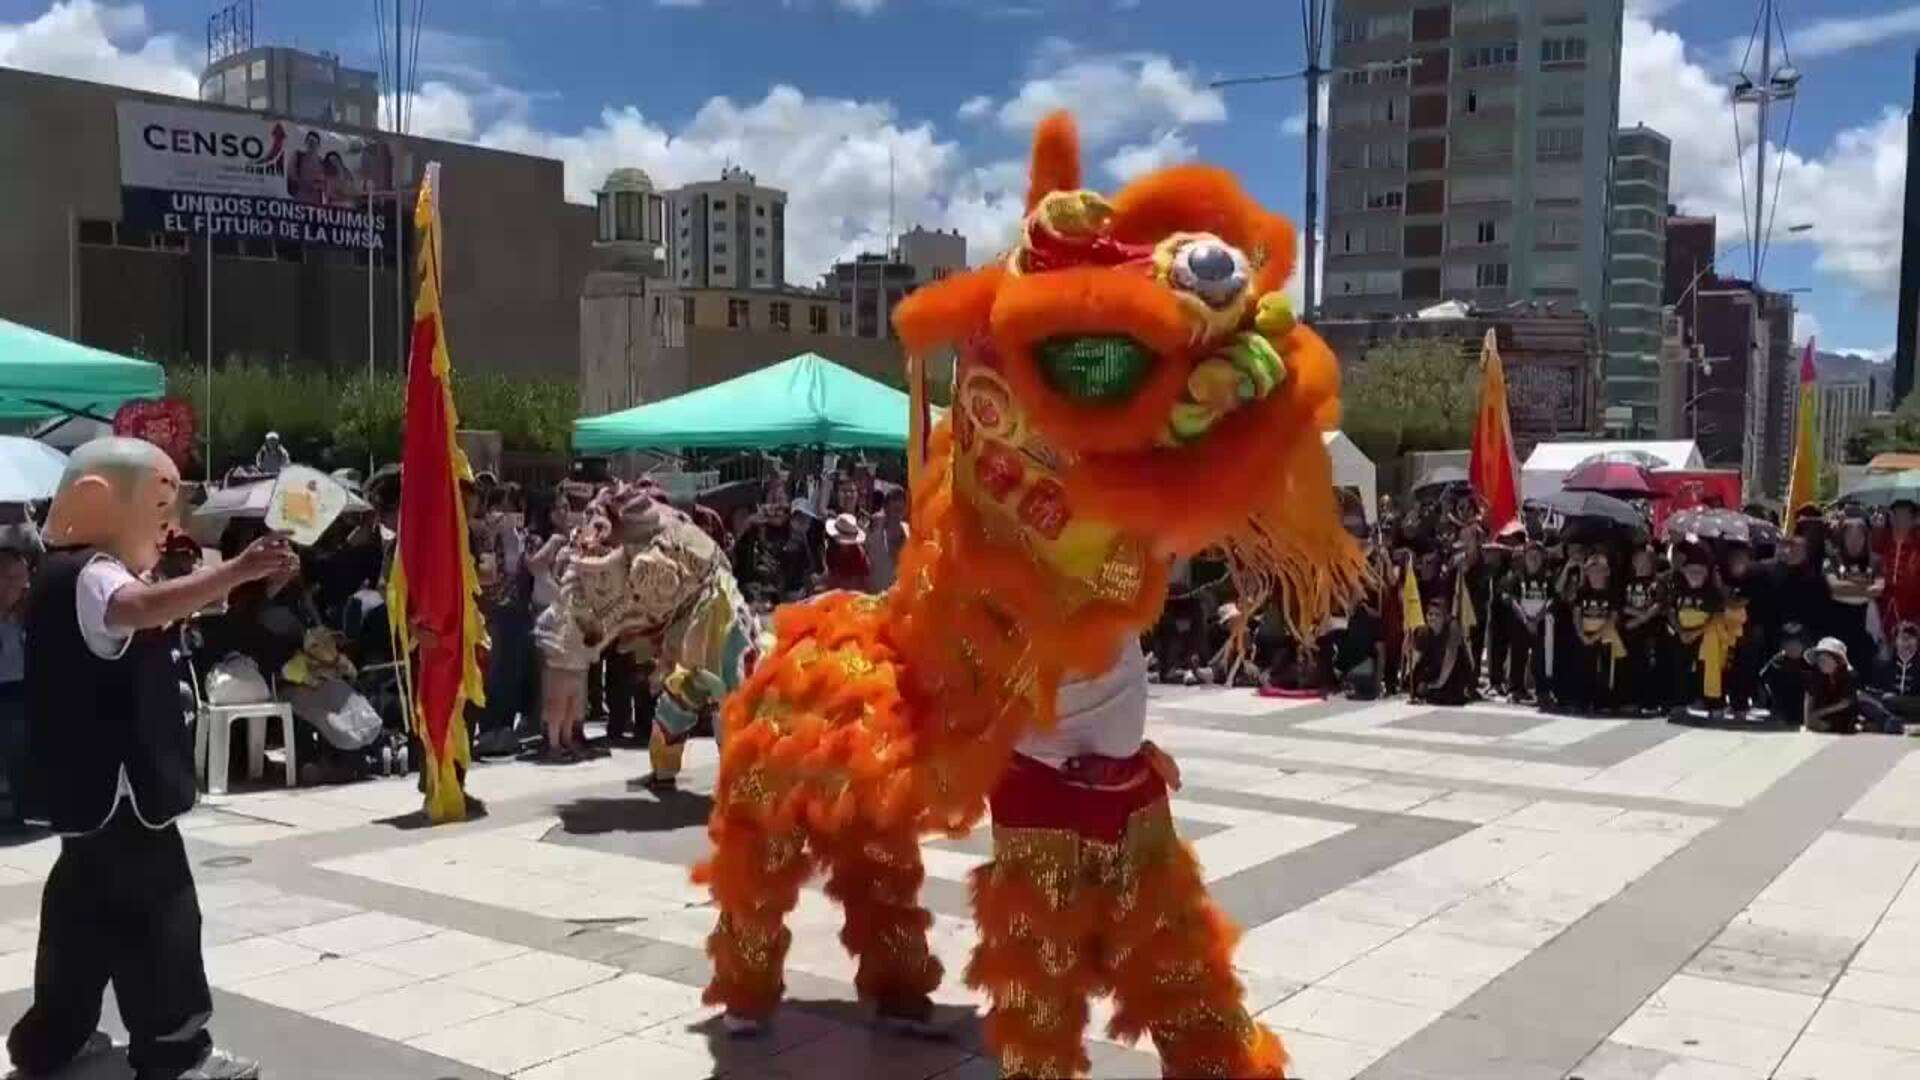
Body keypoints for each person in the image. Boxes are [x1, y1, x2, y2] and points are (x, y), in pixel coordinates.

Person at [9, 437, 296, 1080]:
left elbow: (146, 612)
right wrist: (234, 570)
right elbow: (132, 609)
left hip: (92, 791)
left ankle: (53, 1040)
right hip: (121, 790)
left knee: (80, 917)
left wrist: (235, 582)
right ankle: (174, 1051)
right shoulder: (93, 573)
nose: (168, 521)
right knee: (160, 914)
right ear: (97, 500)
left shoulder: (68, 572)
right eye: (159, 503)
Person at [1566, 554, 1623, 715]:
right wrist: (1581, 634)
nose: (1596, 575)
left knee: (1605, 671)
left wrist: (1596, 635)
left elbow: (1613, 619)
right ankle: (1583, 700)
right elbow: (1576, 614)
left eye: (1599, 571)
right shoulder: (1582, 592)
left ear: (1607, 572)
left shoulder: (1612, 593)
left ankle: (1603, 702)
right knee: (1583, 668)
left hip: (1605, 636)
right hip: (1584, 634)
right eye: (1592, 571)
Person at [1827, 517, 1885, 669]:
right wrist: (1866, 585)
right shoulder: (1833, 559)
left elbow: (1878, 589)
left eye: (1859, 537)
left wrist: (1848, 585)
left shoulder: (1875, 560)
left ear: (1866, 538)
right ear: (1842, 537)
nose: (1854, 541)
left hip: (1864, 626)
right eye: (1850, 536)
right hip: (1837, 624)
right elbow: (1834, 586)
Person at [1620, 546, 1669, 716]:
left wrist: (1642, 618)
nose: (1643, 564)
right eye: (1639, 560)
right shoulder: (1626, 582)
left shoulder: (1656, 583)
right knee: (1631, 664)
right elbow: (1621, 605)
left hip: (1650, 631)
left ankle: (1651, 701)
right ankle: (1632, 700)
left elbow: (1659, 604)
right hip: (1630, 632)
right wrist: (1636, 615)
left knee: (1651, 665)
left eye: (1646, 560)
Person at [0, 549, 28, 825]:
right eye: (14, 578)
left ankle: (25, 807)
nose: (23, 585)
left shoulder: (27, 613)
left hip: (25, 688)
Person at [1861, 620, 1920, 735]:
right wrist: (1884, 695)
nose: (1907, 642)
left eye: (1911, 638)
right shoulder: (1883, 665)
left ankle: (1894, 723)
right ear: (1895, 642)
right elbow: (1874, 690)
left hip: (1914, 709)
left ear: (1917, 642)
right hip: (1889, 710)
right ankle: (1893, 722)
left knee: (1892, 701)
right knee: (1863, 697)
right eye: (1903, 638)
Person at [1409, 600, 1474, 706]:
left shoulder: (1453, 628)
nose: (1433, 618)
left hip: (1453, 672)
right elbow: (1417, 660)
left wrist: (1437, 684)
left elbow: (1450, 658)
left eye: (1437, 615)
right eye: (1430, 614)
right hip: (1435, 670)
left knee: (1445, 696)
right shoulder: (1424, 632)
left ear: (1445, 617)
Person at [1760, 622, 1813, 729]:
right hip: (1782, 707)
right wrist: (1768, 700)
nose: (1792, 648)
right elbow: (1762, 679)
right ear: (1782, 646)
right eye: (1788, 644)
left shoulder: (1810, 662)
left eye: (1796, 644)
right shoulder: (1777, 662)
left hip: (1804, 708)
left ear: (1804, 645)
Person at [1804, 637, 1860, 734]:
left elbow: (1846, 702)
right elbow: (1809, 696)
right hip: (1823, 711)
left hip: (1843, 712)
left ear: (1837, 661)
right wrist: (1808, 720)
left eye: (1825, 660)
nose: (1822, 663)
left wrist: (1818, 713)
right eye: (1820, 660)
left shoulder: (1849, 675)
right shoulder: (1815, 675)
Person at [822, 513, 872, 593]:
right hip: (833, 594)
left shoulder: (859, 554)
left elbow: (865, 581)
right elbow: (830, 573)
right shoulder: (831, 549)